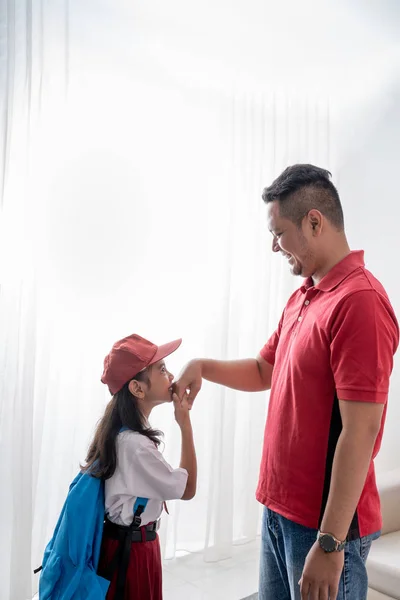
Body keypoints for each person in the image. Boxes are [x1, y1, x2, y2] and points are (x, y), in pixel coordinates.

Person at [173, 165, 399, 600]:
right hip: (278, 512)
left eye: (278, 233)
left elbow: (361, 430)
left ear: (314, 221)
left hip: (322, 525)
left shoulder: (360, 303)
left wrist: (331, 543)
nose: (274, 247)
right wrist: (203, 365)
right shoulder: (304, 296)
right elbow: (265, 370)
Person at [86, 333, 197, 600]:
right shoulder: (135, 446)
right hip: (132, 553)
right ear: (137, 388)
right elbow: (188, 488)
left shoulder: (123, 435)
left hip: (128, 544)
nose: (170, 375)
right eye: (161, 369)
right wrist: (184, 422)